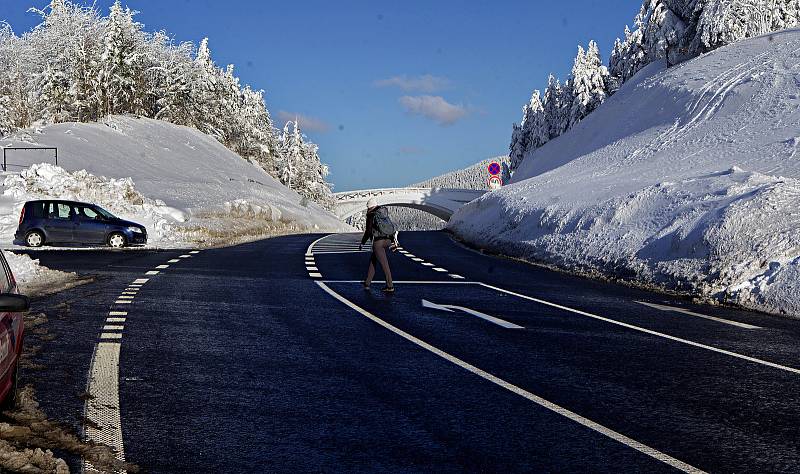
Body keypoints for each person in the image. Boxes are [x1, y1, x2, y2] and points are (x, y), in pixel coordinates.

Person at [360, 198, 398, 293]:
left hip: (378, 242)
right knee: (374, 259)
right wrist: (393, 240)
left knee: (385, 265)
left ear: (369, 207)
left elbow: (368, 231)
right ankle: (367, 282)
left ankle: (390, 286)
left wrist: (362, 242)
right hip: (388, 240)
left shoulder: (371, 215)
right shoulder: (383, 212)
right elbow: (389, 226)